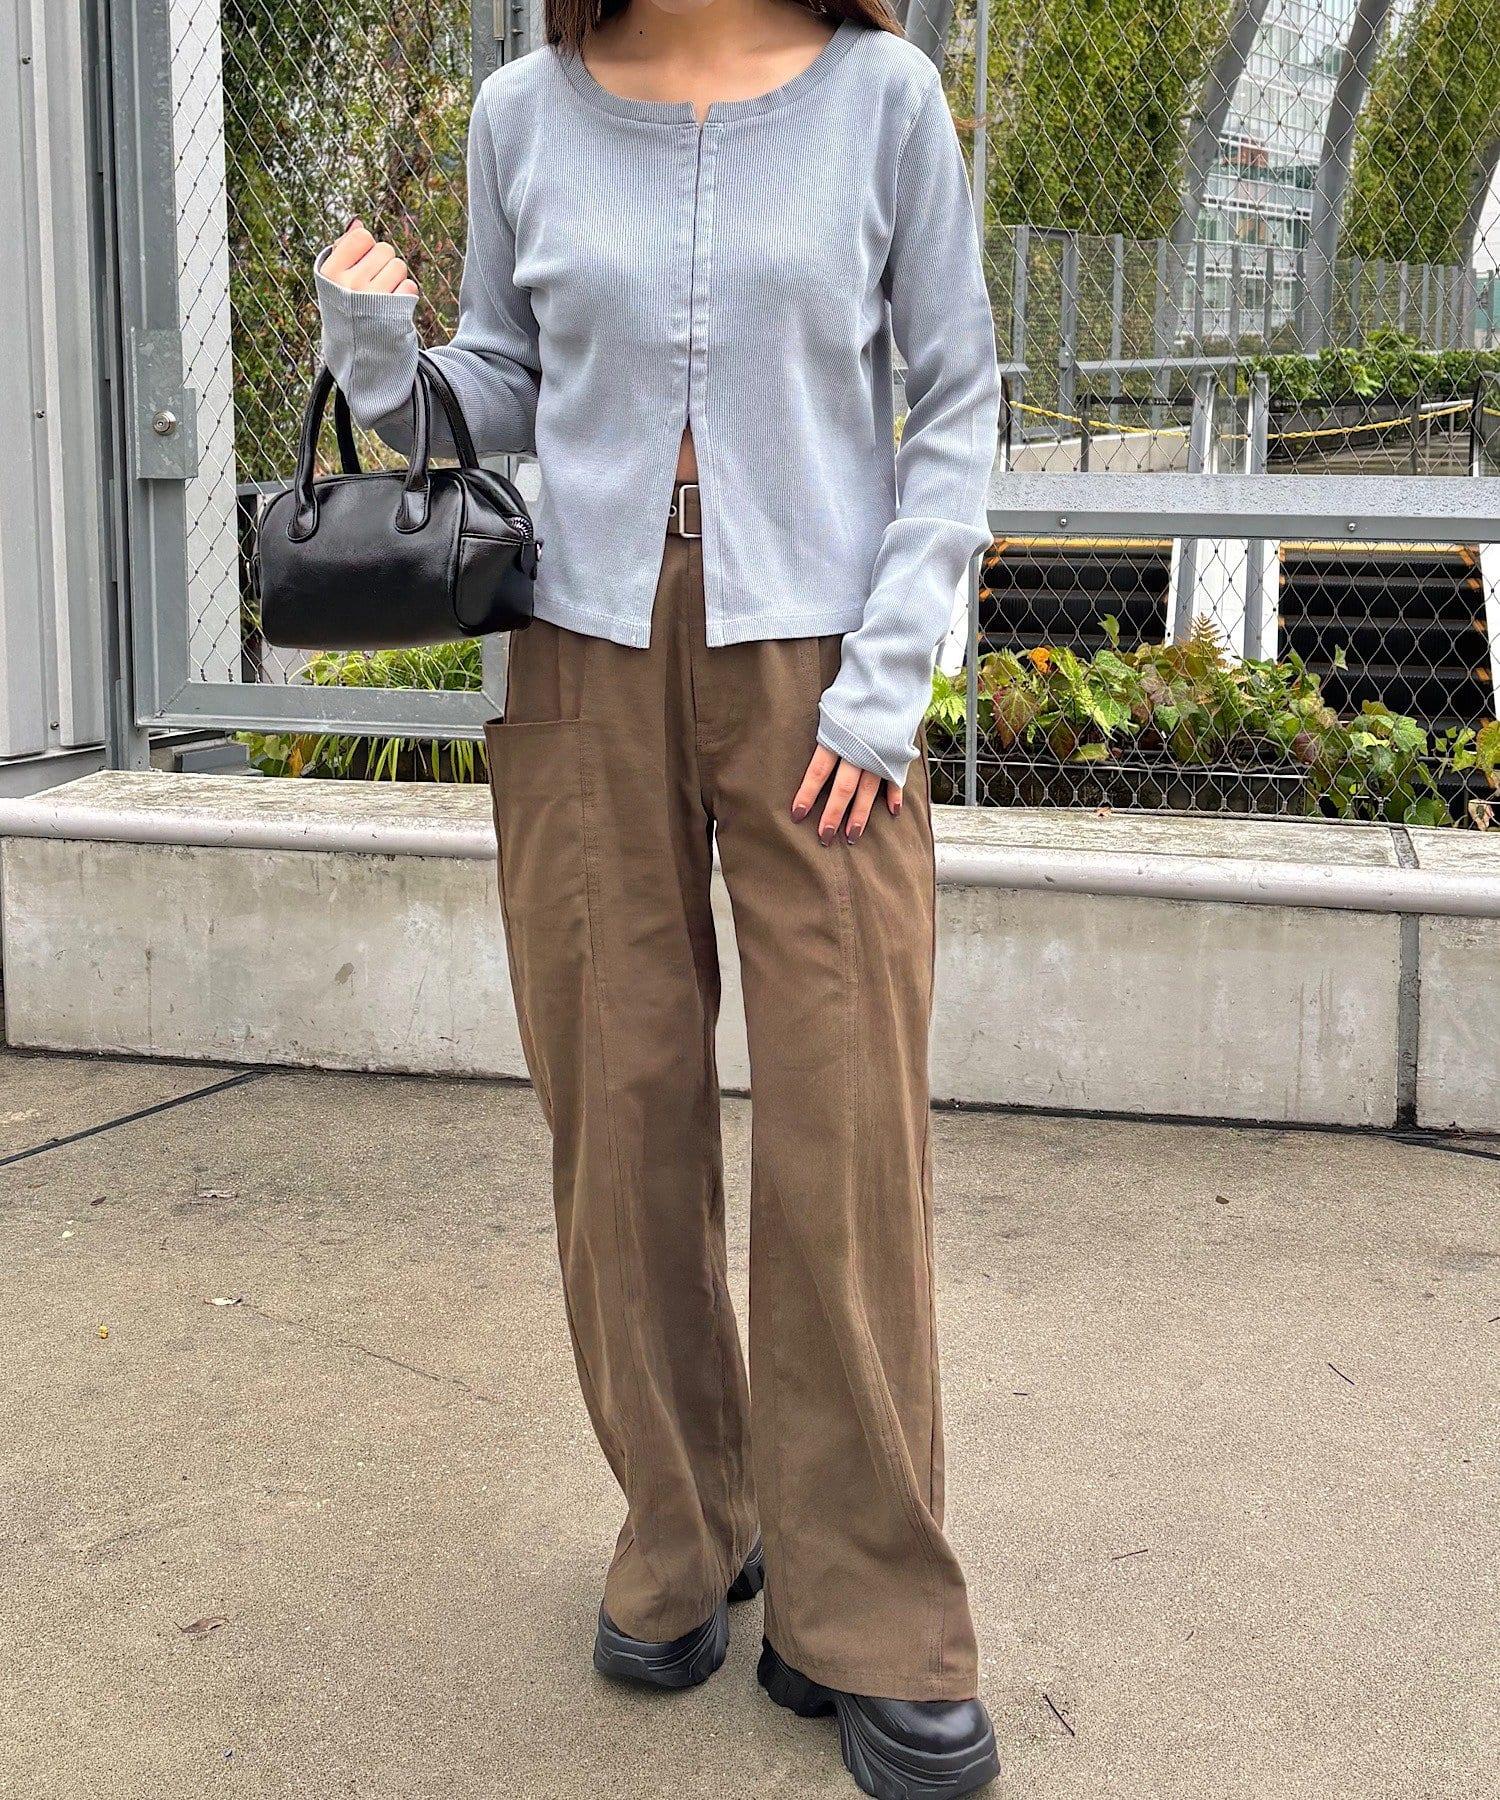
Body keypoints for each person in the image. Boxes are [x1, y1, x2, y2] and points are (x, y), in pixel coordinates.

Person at [315, 1, 1000, 1793]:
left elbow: (959, 399)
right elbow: (503, 382)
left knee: (845, 1132)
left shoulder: (884, 99)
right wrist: (382, 358)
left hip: (820, 674)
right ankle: (688, 1525)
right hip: (580, 658)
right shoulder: (524, 113)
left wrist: (886, 682)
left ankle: (871, 1608)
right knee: (614, 1117)